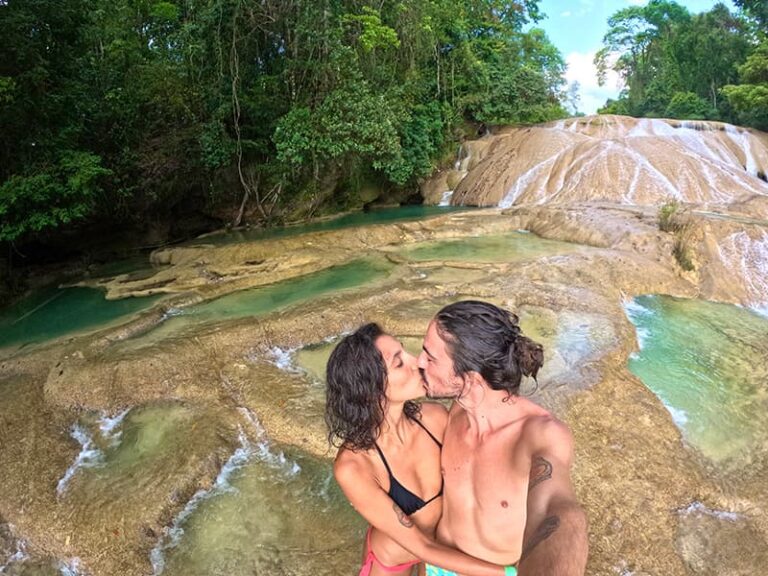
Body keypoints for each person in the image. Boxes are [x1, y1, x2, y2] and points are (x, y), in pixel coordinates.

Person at [325, 323, 517, 576]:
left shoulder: (434, 418)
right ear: (370, 389)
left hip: (441, 551)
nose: (417, 362)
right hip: (394, 561)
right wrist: (511, 572)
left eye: (405, 353)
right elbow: (422, 546)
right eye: (399, 363)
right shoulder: (354, 466)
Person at [418, 301, 589, 576]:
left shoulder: (540, 434)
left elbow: (556, 509)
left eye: (430, 356)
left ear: (470, 377)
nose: (419, 362)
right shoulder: (458, 409)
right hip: (438, 566)